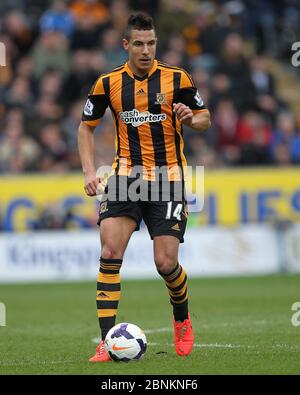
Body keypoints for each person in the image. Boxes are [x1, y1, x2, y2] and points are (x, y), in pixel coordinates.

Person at [78, 13, 211, 362]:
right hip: (125, 179)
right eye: (139, 43)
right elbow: (85, 127)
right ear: (126, 45)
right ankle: (107, 343)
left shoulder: (176, 78)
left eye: (151, 43)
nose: (146, 50)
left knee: (165, 263)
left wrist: (190, 118)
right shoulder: (107, 83)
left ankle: (181, 318)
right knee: (109, 255)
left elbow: (204, 118)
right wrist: (90, 171)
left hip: (168, 180)